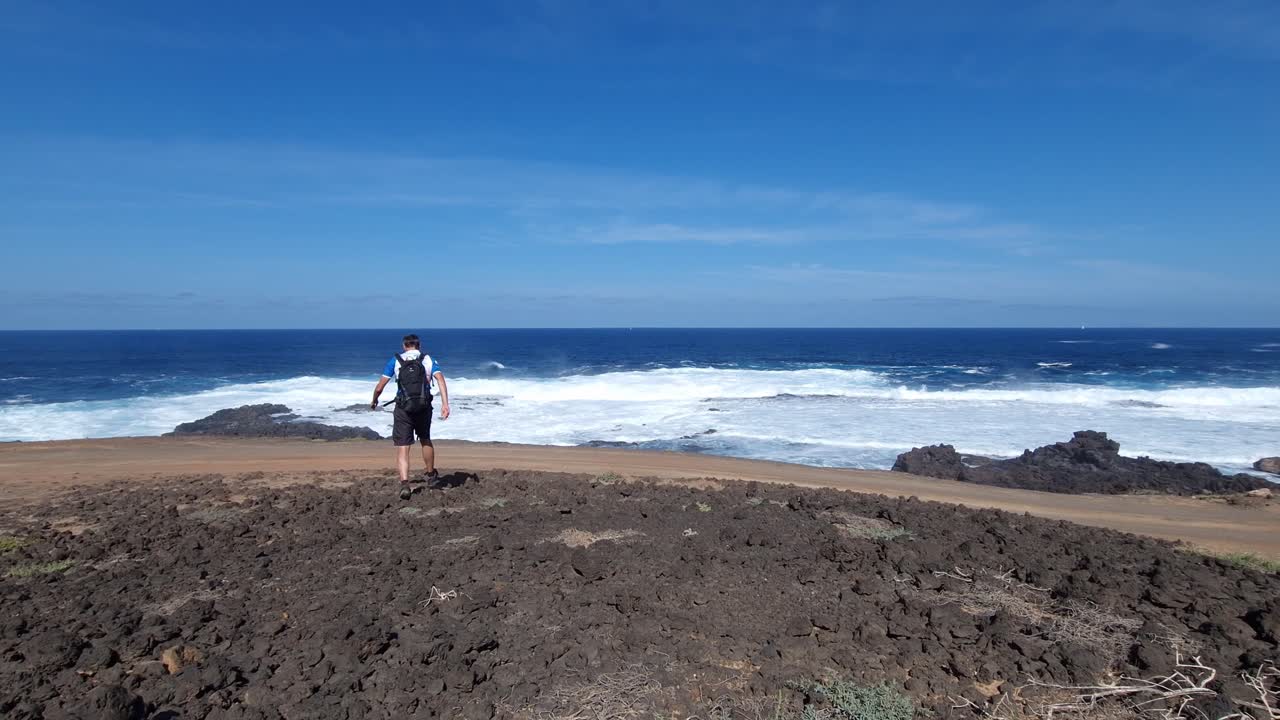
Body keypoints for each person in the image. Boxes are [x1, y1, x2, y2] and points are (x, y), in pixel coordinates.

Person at [371, 334, 451, 499]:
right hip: (423, 406)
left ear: (404, 345)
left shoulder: (396, 360)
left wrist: (374, 400)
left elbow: (380, 387)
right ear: (418, 345)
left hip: (403, 409)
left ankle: (405, 483)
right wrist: (445, 404)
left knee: (403, 447)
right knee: (425, 439)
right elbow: (441, 381)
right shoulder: (428, 359)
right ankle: (430, 476)